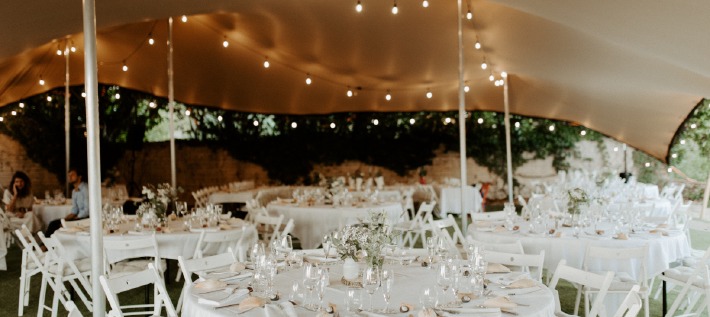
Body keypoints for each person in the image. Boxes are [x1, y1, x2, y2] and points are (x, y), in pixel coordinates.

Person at [45, 167, 89, 237]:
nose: (70, 177)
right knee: (54, 223)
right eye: (69, 175)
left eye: (72, 175)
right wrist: (65, 218)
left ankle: (45, 246)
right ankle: (46, 245)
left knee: (55, 225)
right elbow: (75, 209)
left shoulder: (85, 189)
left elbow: (87, 210)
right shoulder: (74, 191)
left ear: (79, 176)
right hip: (79, 217)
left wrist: (76, 218)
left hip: (86, 219)